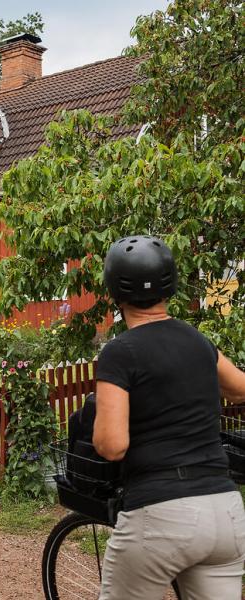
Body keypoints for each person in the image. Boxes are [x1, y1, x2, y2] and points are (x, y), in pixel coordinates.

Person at [93, 235, 245, 599]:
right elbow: (240, 389)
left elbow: (112, 446)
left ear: (115, 292)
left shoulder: (120, 352)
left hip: (161, 514)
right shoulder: (198, 341)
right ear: (169, 285)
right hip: (224, 511)